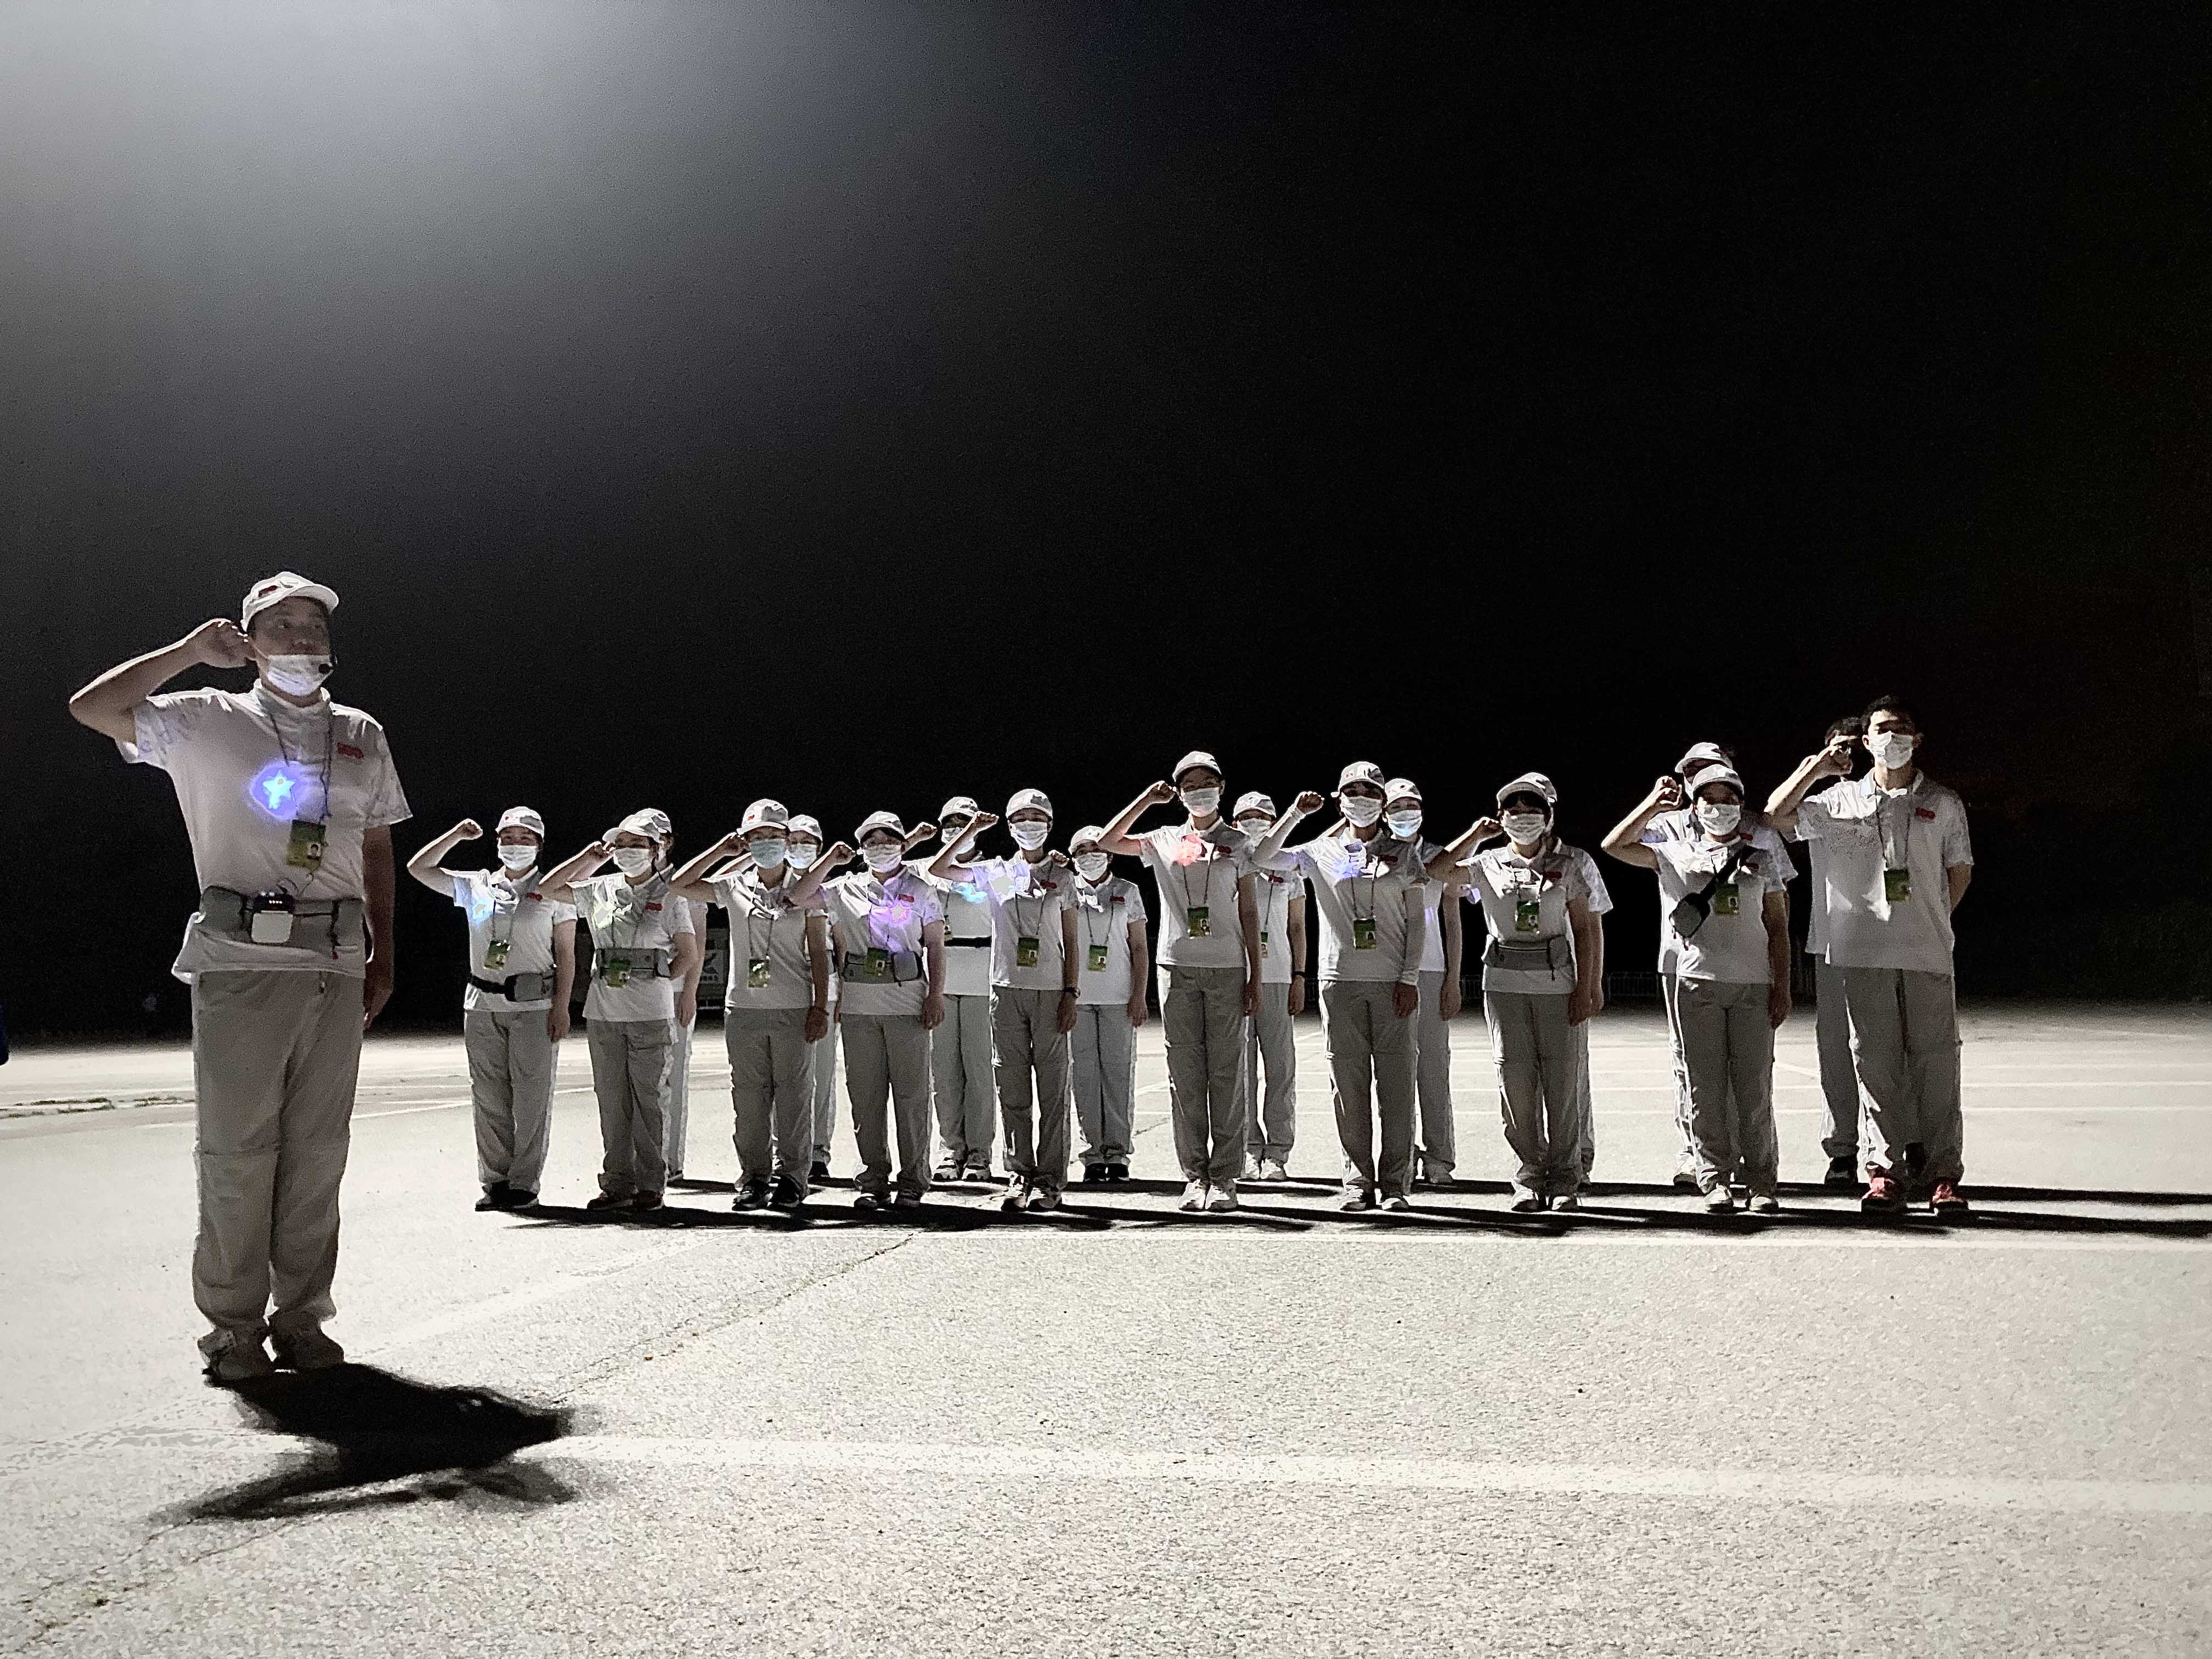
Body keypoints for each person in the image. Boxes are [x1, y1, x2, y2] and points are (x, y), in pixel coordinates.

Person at [67, 571, 410, 1380]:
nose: (302, 636)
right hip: (244, 961)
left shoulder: (360, 732)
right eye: (281, 624)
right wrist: (189, 652)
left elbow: (376, 844)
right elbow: (92, 707)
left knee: (318, 1153)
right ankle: (232, 1328)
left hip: (335, 963)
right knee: (237, 1154)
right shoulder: (205, 718)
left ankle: (303, 1317)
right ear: (249, 640)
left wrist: (384, 955)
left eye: (313, 625)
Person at [1768, 697, 1974, 1215]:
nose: (1892, 736)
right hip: (1860, 953)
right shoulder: (1838, 800)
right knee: (1874, 1063)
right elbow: (1775, 816)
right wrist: (1817, 768)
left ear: (1918, 739)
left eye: (1902, 728)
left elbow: (1960, 870)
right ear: (1866, 741)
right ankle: (1885, 1171)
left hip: (1926, 950)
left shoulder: (1944, 802)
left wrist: (1930, 916)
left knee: (1937, 1061)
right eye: (1881, 729)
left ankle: (1943, 1173)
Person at [1603, 767, 1792, 1212]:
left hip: (1752, 983)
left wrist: (1782, 985)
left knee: (1754, 1087)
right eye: (1710, 799)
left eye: (1729, 799)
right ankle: (1714, 1178)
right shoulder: (1676, 851)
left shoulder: (1762, 855)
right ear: (1695, 805)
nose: (1719, 808)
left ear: (1741, 805)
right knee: (1704, 1088)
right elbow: (1615, 845)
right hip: (1696, 982)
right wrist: (1653, 805)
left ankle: (1761, 1181)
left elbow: (1778, 926)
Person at [1427, 774, 1610, 1212]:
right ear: (1501, 816)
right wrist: (1476, 835)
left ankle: (1565, 1178)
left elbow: (1586, 929)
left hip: (1557, 981)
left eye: (1532, 811)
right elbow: (1437, 871)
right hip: (1504, 984)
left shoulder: (1570, 864)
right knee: (1515, 1084)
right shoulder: (1487, 863)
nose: (1523, 818)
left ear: (1549, 817)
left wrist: (1586, 986)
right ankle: (1528, 1175)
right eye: (1514, 810)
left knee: (1562, 1085)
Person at [1094, 752, 1262, 1213]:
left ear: (1221, 787)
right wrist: (1147, 801)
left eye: (1207, 782)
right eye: (1189, 784)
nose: (1199, 790)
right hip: (1177, 967)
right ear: (1179, 792)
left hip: (1227, 966)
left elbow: (1249, 911)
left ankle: (1225, 1177)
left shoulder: (1239, 843)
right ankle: (1194, 1175)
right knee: (1185, 1076)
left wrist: (1255, 975)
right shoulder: (1165, 838)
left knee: (1226, 1074)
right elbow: (1109, 841)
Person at [1253, 766, 1428, 1210]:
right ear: (1339, 799)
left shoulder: (1403, 854)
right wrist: (1295, 814)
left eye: (1370, 791)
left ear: (1383, 802)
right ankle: (1357, 1179)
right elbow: (1264, 857)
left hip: (1391, 981)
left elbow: (1416, 923)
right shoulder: (1321, 850)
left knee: (1396, 1087)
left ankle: (1396, 1183)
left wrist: (1409, 978)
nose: (1361, 797)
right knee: (1348, 1087)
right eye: (1352, 790)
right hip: (1340, 981)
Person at [405, 807, 577, 1213]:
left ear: (539, 845)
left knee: (531, 1097)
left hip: (534, 1005)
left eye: (525, 838)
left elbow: (566, 954)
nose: (516, 845)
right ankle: (495, 1180)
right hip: (482, 1004)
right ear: (497, 842)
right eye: (508, 838)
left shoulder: (554, 890)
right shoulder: (477, 885)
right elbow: (419, 868)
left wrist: (562, 1008)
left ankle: (524, 1183)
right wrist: (454, 836)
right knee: (488, 1096)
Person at [668, 800, 833, 1211]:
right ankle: (754, 1178)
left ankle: (793, 1177)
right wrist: (723, 851)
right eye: (756, 837)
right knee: (749, 1100)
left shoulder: (806, 889)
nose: (765, 843)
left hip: (793, 1007)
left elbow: (818, 951)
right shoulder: (734, 885)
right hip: (743, 1008)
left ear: (787, 839)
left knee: (794, 1098)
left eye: (773, 836)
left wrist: (820, 1007)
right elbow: (680, 884)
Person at [540, 812, 701, 1214]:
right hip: (604, 1012)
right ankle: (617, 1183)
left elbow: (688, 953)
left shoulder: (670, 894)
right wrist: (589, 858)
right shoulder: (600, 888)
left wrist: (659, 978)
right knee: (612, 1101)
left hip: (649, 1013)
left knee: (649, 1101)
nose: (628, 852)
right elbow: (548, 888)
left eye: (637, 845)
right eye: (622, 845)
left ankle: (651, 1184)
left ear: (656, 850)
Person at [928, 792, 1080, 1211]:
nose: (1029, 824)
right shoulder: (1000, 874)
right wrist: (972, 829)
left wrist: (1071, 992)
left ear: (1050, 824)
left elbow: (1072, 940)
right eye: (1021, 818)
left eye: (1037, 817)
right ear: (1009, 826)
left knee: (1052, 1091)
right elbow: (940, 869)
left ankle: (1050, 1180)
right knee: (1012, 1089)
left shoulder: (1062, 876)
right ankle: (1019, 1175)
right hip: (1005, 989)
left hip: (1050, 990)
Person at [790, 814, 947, 1208]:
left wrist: (936, 995)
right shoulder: (846, 888)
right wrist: (830, 860)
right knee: (866, 1097)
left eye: (889, 839)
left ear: (903, 844)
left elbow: (935, 945)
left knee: (911, 1097)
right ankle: (874, 1178)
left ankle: (913, 1180)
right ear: (861, 848)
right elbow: (798, 897)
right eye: (872, 841)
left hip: (907, 1000)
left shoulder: (921, 889)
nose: (881, 847)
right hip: (860, 1004)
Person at [1798, 718, 1870, 1186]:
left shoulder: (1893, 799)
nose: (1846, 756)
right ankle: (1842, 1149)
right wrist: (1816, 770)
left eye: (1853, 747)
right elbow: (1776, 816)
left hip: (1891, 941)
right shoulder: (1823, 803)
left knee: (1893, 1052)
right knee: (1836, 1051)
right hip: (1832, 943)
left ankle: (1903, 1147)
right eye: (1837, 748)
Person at [1384, 778, 1464, 1189]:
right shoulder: (1371, 855)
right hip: (1383, 971)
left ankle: (1439, 1157)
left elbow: (1452, 920)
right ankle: (1401, 1154)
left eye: (1411, 806)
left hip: (1430, 971)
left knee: (1433, 1069)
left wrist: (1453, 979)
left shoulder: (1438, 856)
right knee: (1393, 1073)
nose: (1404, 814)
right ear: (1384, 813)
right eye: (1396, 807)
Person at [919, 797, 998, 1184]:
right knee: (944, 1070)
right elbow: (900, 911)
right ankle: (950, 1149)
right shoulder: (923, 871)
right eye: (950, 823)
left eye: (965, 823)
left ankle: (980, 1153)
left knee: (980, 1070)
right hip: (939, 977)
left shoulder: (993, 870)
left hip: (981, 976)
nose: (957, 830)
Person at [1066, 825, 1150, 1182]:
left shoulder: (1127, 891)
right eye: (1082, 851)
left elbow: (1140, 948)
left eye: (1096, 849)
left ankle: (1117, 1154)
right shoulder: (1065, 890)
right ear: (1072, 858)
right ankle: (1091, 1155)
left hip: (1118, 997)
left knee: (1118, 1076)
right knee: (1083, 1078)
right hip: (1077, 998)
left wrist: (1139, 995)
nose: (1090, 856)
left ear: (1110, 854)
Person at [1232, 792, 1305, 1183]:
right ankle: (1248, 1147)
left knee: (1280, 1069)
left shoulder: (1288, 869)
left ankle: (1277, 1151)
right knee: (1240, 1071)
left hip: (1277, 977)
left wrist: (1299, 977)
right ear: (1235, 823)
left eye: (1262, 817)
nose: (1255, 823)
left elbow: (1297, 926)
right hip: (1235, 976)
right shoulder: (1226, 862)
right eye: (1247, 817)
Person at [643, 810, 707, 1184]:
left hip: (676, 990)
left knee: (673, 1077)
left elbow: (697, 945)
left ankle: (671, 1160)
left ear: (668, 842)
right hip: (636, 995)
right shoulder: (626, 882)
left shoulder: (684, 884)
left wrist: (690, 995)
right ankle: (642, 1157)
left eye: (659, 839)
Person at [787, 815, 842, 1182]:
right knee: (784, 1077)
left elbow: (843, 941)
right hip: (783, 988)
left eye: (807, 842)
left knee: (822, 1076)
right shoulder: (771, 884)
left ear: (820, 848)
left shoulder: (833, 888)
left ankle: (818, 1151)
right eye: (792, 840)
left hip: (827, 990)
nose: (799, 848)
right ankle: (785, 1151)